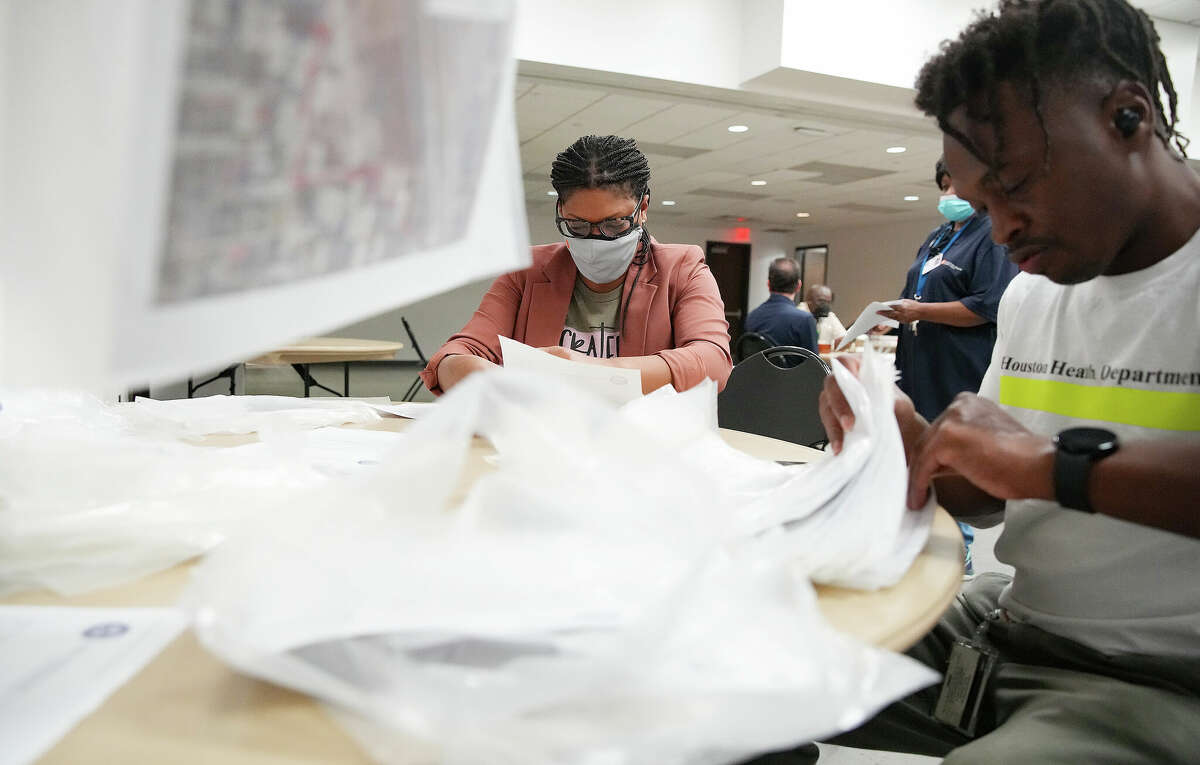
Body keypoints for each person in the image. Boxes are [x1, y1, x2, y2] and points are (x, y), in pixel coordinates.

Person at [787, 1, 1200, 763]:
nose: (1003, 230)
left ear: (1128, 116)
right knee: (716, 658)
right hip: (1007, 627)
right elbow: (991, 496)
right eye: (983, 206)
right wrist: (910, 448)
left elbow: (1037, 469)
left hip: (1155, 677)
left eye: (1016, 186)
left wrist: (1051, 463)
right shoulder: (1035, 290)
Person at [420, 135, 732, 396]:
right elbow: (453, 357)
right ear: (560, 210)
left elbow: (712, 362)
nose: (596, 239)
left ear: (643, 209)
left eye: (614, 224)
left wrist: (584, 370)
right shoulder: (526, 273)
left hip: (644, 451)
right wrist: (477, 373)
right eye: (578, 226)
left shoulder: (682, 268)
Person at [881, 158, 1019, 572]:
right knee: (915, 450)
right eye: (943, 184)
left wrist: (921, 312)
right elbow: (916, 292)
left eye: (956, 184)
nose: (949, 193)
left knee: (950, 456)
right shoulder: (939, 236)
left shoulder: (990, 237)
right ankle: (916, 541)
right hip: (918, 360)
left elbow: (985, 306)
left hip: (959, 364)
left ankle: (959, 558)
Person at [744, 257, 818, 352]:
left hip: (757, 367)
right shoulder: (804, 320)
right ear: (798, 286)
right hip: (795, 367)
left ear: (768, 284)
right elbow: (814, 364)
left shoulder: (752, 317)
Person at [798, 284, 846, 349]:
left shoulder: (829, 316)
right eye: (821, 301)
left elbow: (842, 338)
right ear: (809, 300)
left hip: (823, 357)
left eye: (828, 302)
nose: (825, 305)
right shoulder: (799, 314)